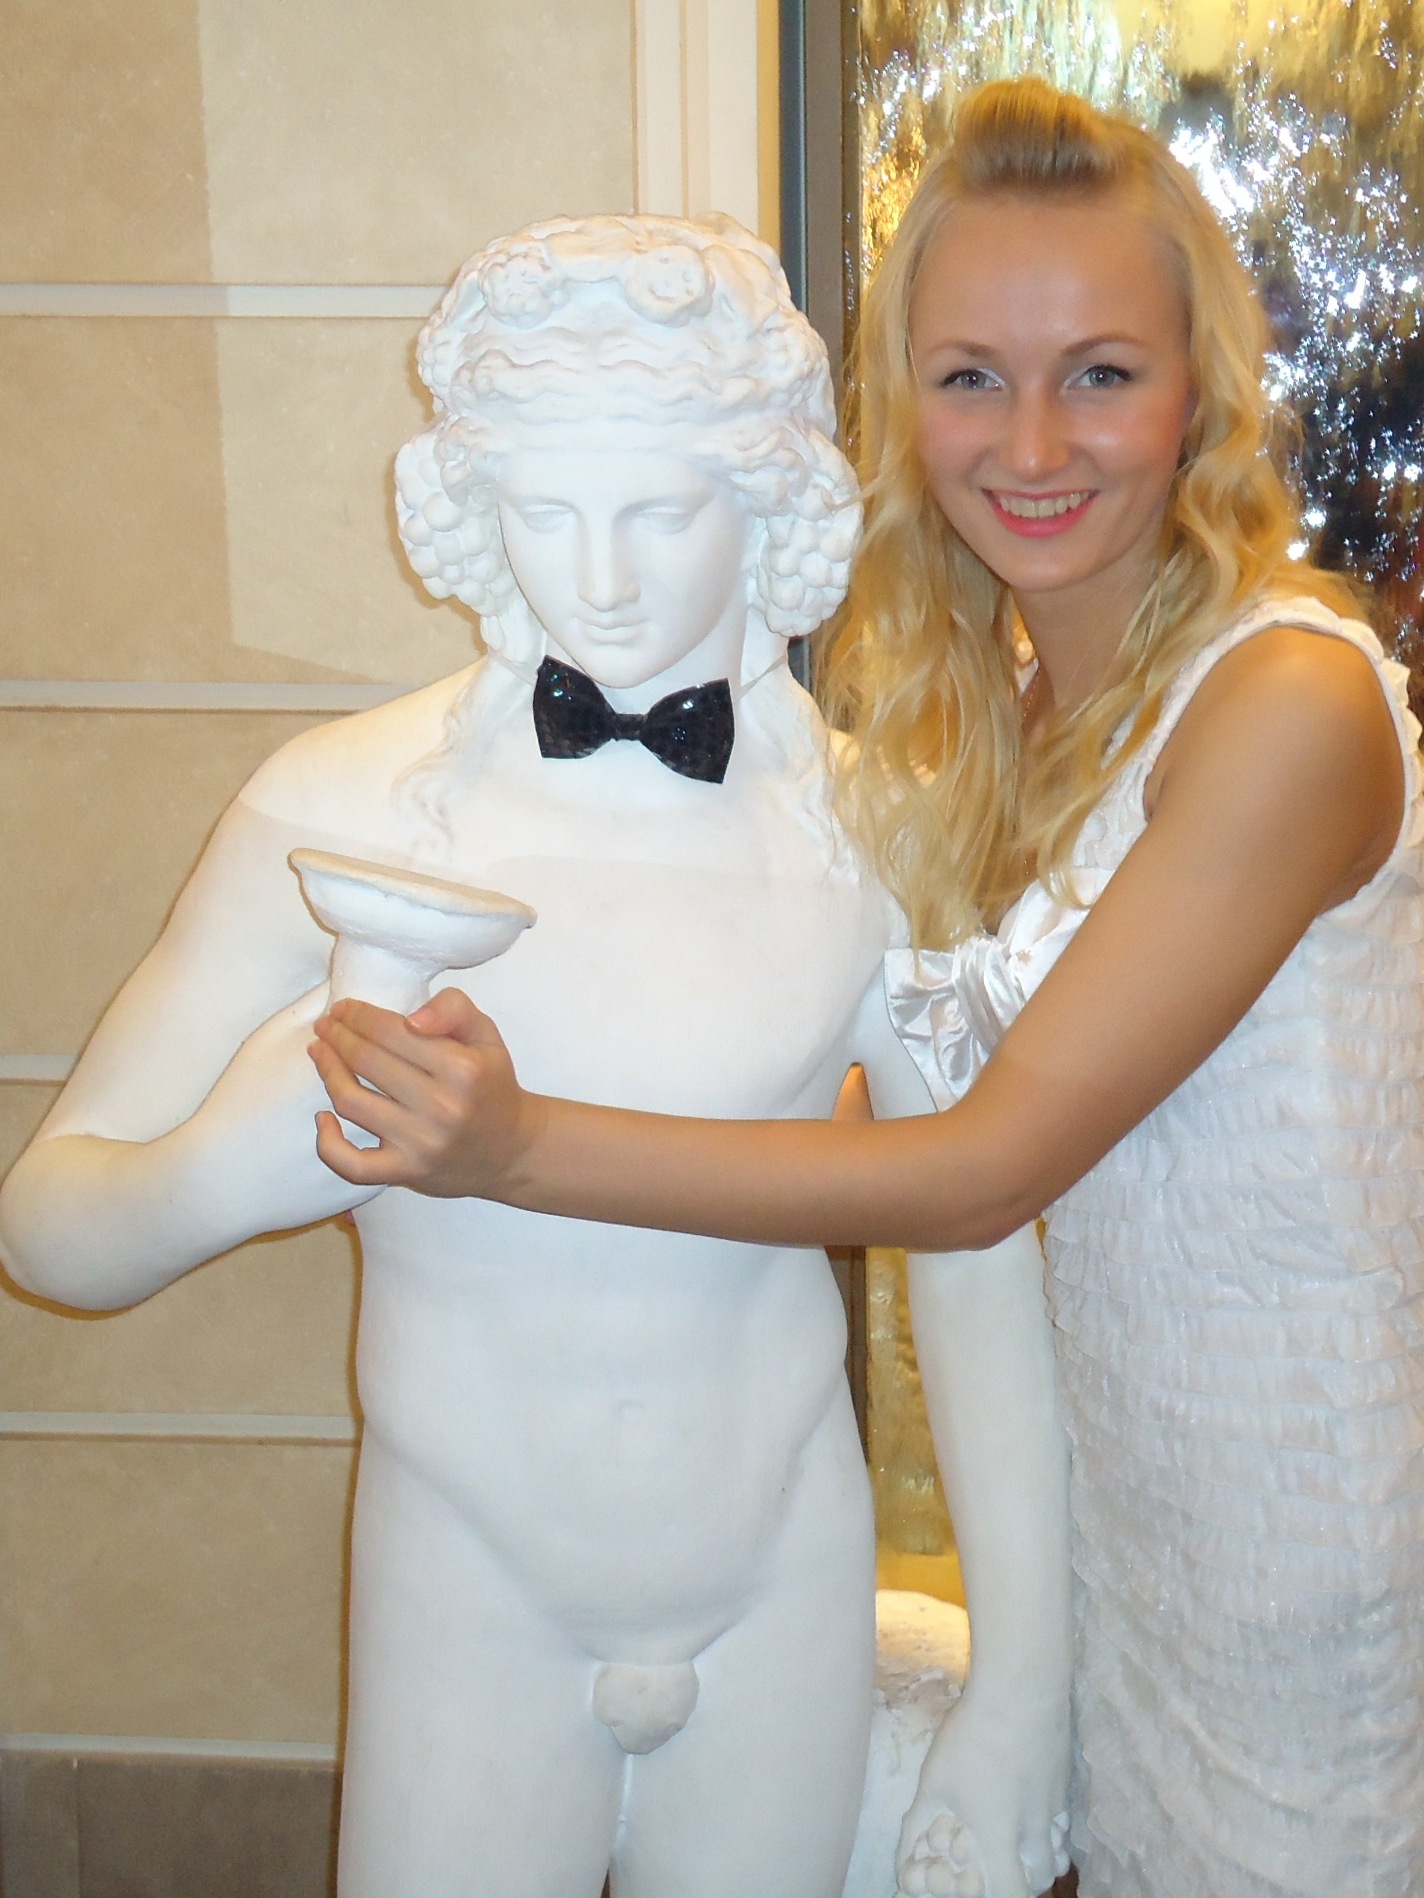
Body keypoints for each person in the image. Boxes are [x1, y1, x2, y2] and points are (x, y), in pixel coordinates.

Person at [311, 83, 1424, 1898]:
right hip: (1120, 1524)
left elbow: (978, 1170)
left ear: (1199, 392)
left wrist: (522, 1145)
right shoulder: (1014, 710)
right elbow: (909, 1097)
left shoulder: (1289, 704)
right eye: (968, 377)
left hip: (1298, 1558)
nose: (1031, 440)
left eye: (1100, 373)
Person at [0, 214, 1072, 1898]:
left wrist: (1025, 1689)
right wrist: (230, 1163)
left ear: (768, 501)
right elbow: (52, 1224)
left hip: (781, 1575)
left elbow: (979, 1250)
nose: (602, 578)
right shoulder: (336, 808)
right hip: (469, 1583)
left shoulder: (877, 832)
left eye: (660, 513)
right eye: (547, 513)